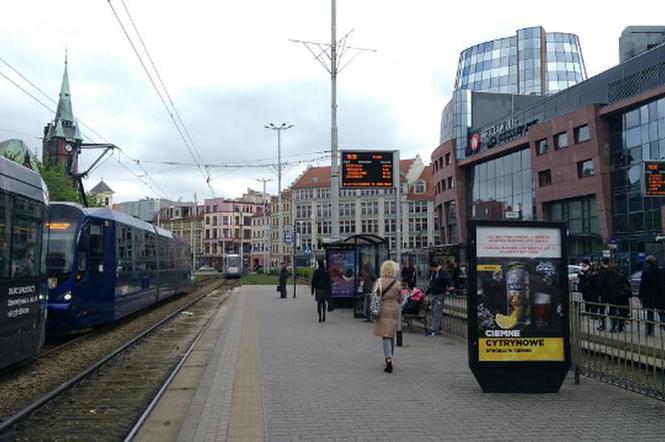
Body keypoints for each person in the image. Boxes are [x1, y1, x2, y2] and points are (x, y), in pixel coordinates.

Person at [372, 260, 402, 373]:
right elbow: (400, 299)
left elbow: (374, 296)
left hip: (382, 309)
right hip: (394, 309)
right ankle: (390, 357)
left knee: (385, 335)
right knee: (391, 334)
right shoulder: (397, 284)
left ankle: (388, 359)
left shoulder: (379, 282)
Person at [639, 255, 665, 336]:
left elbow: (643, 285)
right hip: (661, 295)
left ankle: (650, 330)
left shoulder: (646, 272)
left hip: (649, 296)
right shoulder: (661, 271)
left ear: (648, 263)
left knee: (650, 313)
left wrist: (641, 296)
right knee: (662, 313)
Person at [426, 260, 451, 336]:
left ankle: (434, 329)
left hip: (440, 294)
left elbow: (448, 279)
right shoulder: (434, 273)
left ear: (434, 267)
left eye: (432, 268)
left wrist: (451, 286)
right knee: (435, 311)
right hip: (435, 294)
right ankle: (437, 328)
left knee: (437, 311)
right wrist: (427, 292)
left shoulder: (443, 273)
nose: (431, 270)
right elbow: (432, 284)